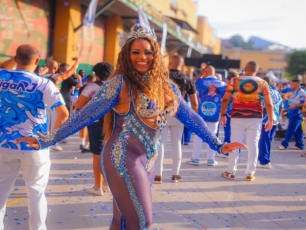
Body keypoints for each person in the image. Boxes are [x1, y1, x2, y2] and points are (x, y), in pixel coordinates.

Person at [17, 22, 245, 230]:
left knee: (121, 220)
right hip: (121, 158)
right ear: (127, 55)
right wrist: (46, 139)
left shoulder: (168, 87)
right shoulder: (119, 84)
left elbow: (191, 117)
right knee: (143, 221)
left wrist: (218, 144)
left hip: (148, 161)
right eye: (135, 52)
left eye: (148, 52)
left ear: (155, 54)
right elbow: (84, 116)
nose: (142, 57)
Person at [0, 45, 69, 230]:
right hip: (35, 146)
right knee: (36, 193)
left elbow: (2, 65)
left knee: (1, 192)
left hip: (4, 144)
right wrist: (49, 139)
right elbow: (63, 114)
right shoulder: (44, 83)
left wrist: (12, 61)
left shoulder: (2, 76)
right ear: (37, 61)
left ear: (15, 58)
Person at [220, 61, 273, 181]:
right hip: (255, 118)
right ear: (257, 70)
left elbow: (225, 100)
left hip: (237, 117)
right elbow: (269, 104)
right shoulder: (262, 83)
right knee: (253, 144)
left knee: (234, 143)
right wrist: (270, 119)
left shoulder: (234, 81)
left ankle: (231, 171)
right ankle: (250, 173)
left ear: (245, 68)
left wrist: (222, 114)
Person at [154, 55, 198, 184]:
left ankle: (158, 175)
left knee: (160, 143)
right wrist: (193, 118)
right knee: (176, 143)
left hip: (162, 113)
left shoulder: (161, 78)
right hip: (180, 114)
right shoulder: (188, 80)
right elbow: (194, 103)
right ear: (182, 64)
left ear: (169, 64)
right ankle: (175, 174)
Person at [74, 62, 113, 196]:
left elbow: (78, 105)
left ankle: (98, 187)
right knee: (110, 154)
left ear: (95, 73)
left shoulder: (92, 87)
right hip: (114, 123)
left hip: (97, 123)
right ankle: (107, 184)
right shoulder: (116, 87)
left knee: (98, 155)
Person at [186, 65, 226, 166]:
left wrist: (201, 75)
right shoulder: (223, 84)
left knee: (198, 136)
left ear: (205, 72)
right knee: (212, 136)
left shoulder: (199, 82)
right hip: (215, 115)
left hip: (200, 114)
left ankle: (195, 158)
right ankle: (210, 159)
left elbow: (191, 84)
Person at [258, 77, 282, 168]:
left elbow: (264, 106)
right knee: (267, 141)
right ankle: (265, 159)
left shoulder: (263, 93)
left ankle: (264, 161)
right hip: (274, 120)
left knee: (263, 141)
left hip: (265, 120)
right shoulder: (276, 92)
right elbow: (281, 106)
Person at [279, 80, 306, 150]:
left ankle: (284, 144)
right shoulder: (294, 92)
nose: (290, 86)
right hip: (292, 113)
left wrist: (295, 105)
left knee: (290, 129)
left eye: (292, 84)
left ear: (297, 84)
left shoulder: (302, 93)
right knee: (298, 130)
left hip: (297, 114)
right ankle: (299, 145)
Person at [216, 70, 238, 159]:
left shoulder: (227, 88)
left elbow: (224, 100)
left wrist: (222, 114)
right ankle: (236, 152)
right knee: (236, 134)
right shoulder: (241, 87)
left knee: (228, 133)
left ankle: (227, 152)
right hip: (239, 113)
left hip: (228, 113)